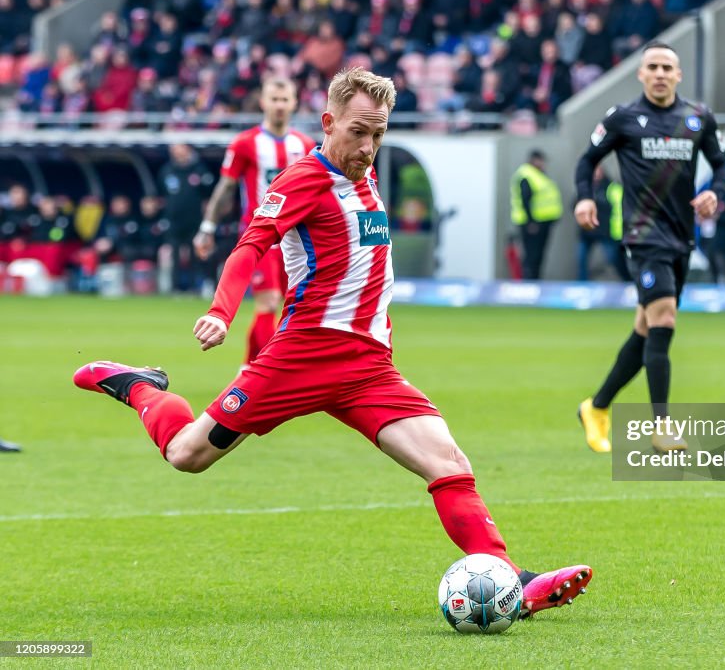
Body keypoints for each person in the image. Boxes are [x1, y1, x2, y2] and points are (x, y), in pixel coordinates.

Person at [73, 68, 591, 618]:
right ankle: (137, 386)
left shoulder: (363, 175)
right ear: (328, 122)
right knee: (186, 455)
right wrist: (221, 312)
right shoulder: (303, 180)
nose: (368, 146)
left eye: (378, 134)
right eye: (358, 132)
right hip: (302, 357)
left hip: (370, 367)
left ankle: (513, 583)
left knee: (448, 461)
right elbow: (250, 247)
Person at [574, 41, 725, 453]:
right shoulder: (623, 118)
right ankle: (661, 425)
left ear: (678, 75)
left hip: (681, 237)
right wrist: (585, 197)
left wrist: (716, 192)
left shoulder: (698, 119)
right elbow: (587, 160)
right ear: (641, 74)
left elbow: (722, 165)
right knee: (665, 320)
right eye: (653, 67)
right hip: (643, 238)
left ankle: (597, 406)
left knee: (646, 328)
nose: (660, 73)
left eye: (667, 67)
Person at [194, 77, 317, 366]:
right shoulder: (246, 143)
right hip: (260, 236)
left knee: (294, 307)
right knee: (269, 302)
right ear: (263, 102)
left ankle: (263, 369)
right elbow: (225, 188)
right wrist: (207, 227)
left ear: (294, 103)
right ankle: (259, 370)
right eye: (274, 99)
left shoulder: (306, 144)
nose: (279, 106)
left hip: (297, 240)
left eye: (285, 100)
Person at [160, 143, 215, 292]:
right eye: (175, 150)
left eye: (181, 149)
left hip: (194, 219)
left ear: (188, 150)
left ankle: (192, 287)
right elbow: (162, 194)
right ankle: (175, 287)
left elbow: (209, 193)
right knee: (175, 254)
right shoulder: (167, 171)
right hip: (174, 220)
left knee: (194, 253)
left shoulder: (199, 170)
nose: (178, 153)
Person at [510, 149, 563, 280]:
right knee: (532, 256)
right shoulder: (527, 175)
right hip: (533, 224)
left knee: (538, 256)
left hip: (542, 222)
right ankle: (529, 284)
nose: (543, 164)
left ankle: (535, 283)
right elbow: (525, 200)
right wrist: (531, 222)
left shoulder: (538, 174)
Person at [577, 164, 627, 281]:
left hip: (604, 231)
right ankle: (582, 284)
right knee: (581, 259)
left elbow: (617, 209)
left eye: (597, 171)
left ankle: (627, 281)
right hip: (587, 231)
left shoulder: (611, 187)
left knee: (614, 259)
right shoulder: (586, 188)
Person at [699, 188, 725, 285]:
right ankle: (712, 295)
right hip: (708, 240)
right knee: (711, 272)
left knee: (723, 269)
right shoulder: (708, 196)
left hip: (721, 242)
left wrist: (719, 217)